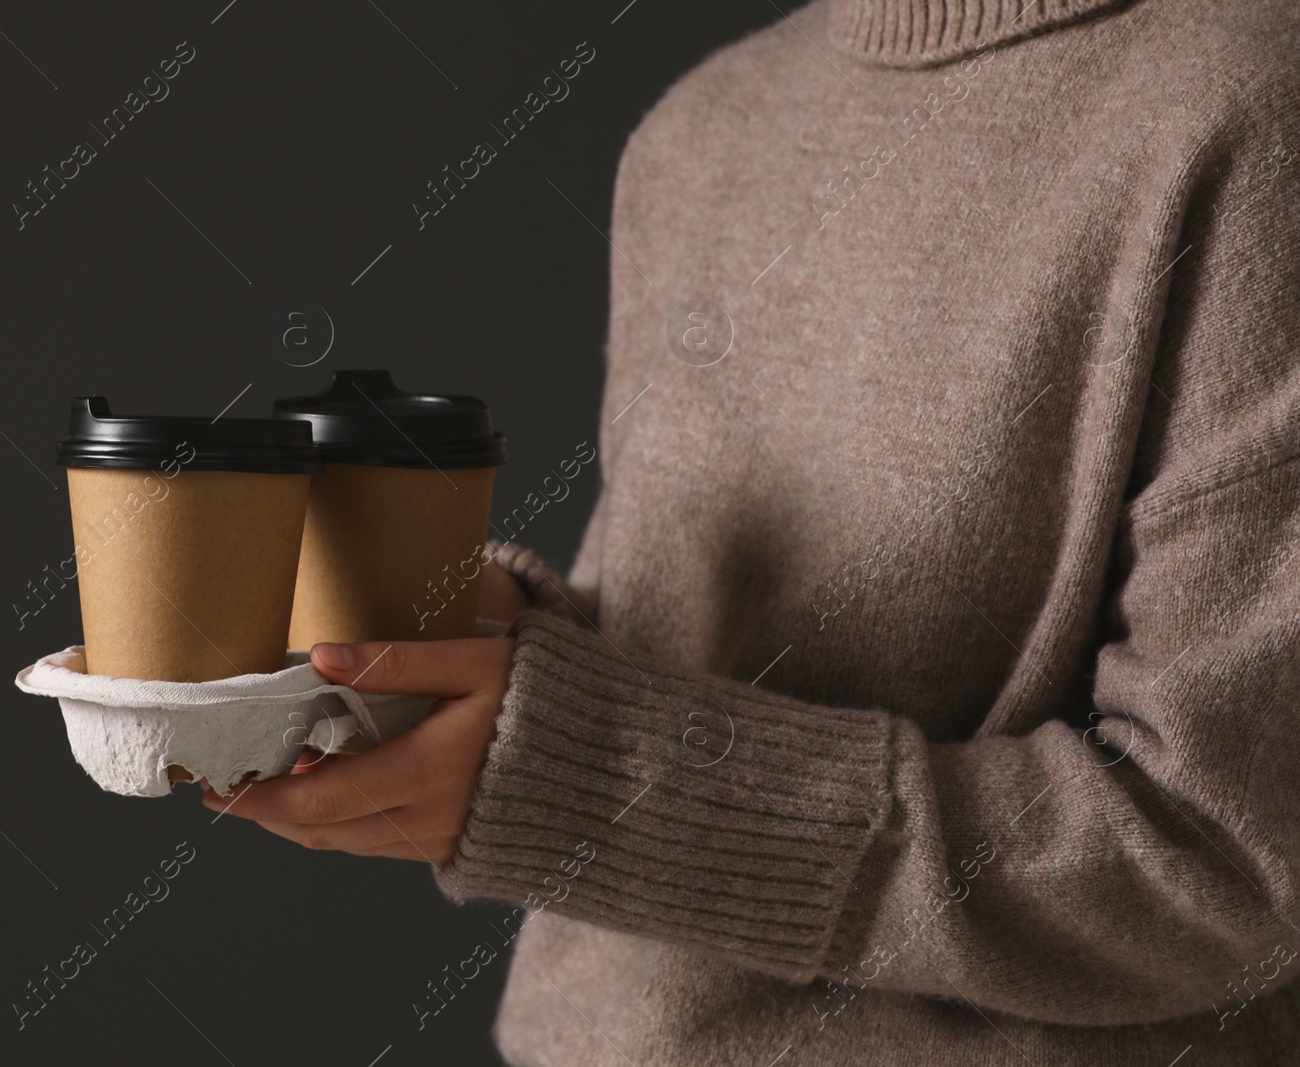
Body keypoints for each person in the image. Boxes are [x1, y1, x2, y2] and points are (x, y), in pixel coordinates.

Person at [204, 0, 1300, 1061]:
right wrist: (486, 641)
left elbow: (1225, 857)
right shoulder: (700, 129)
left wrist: (589, 775)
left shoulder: (1251, 97)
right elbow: (675, 646)